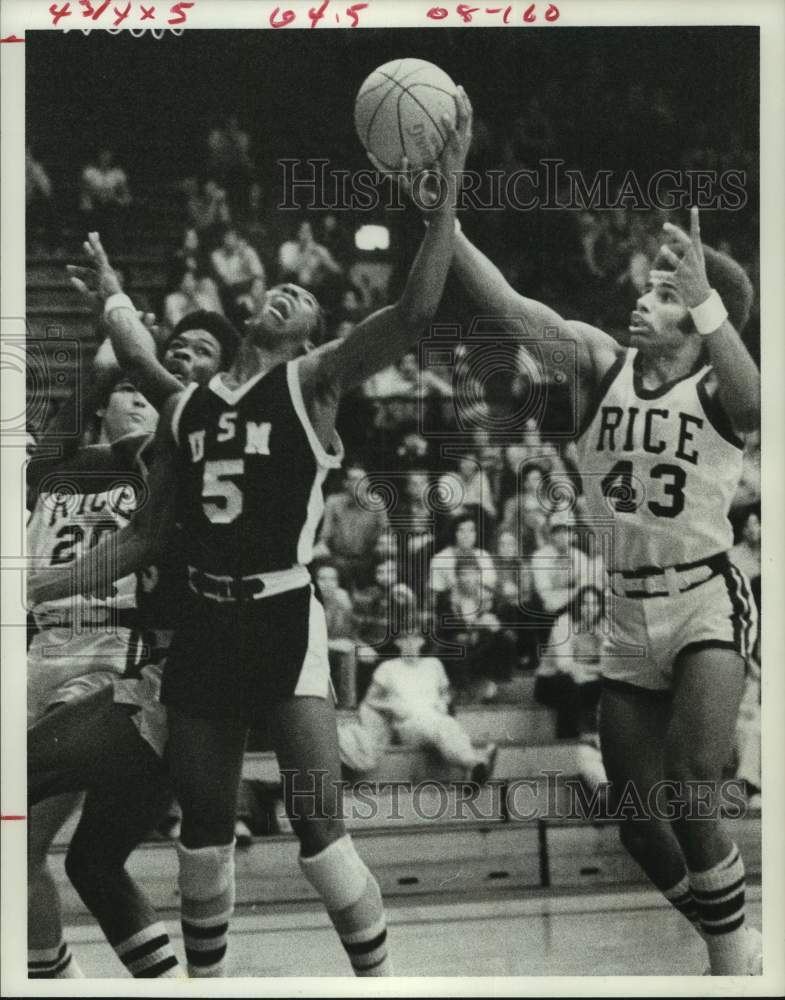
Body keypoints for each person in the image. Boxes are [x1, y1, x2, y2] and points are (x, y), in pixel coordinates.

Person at [40, 88, 473, 979]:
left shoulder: (313, 381)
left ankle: (379, 979)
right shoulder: (191, 402)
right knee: (202, 834)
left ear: (314, 330)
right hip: (202, 626)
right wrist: (116, 297)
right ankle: (207, 983)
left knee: (320, 830)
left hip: (282, 618)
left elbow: (415, 316)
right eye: (275, 288)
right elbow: (143, 386)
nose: (284, 292)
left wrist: (446, 203)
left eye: (301, 296)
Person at [451, 204, 762, 974]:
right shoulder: (598, 362)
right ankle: (735, 940)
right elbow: (512, 311)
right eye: (649, 288)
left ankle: (732, 966)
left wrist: (707, 299)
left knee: (692, 778)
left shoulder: (718, 386)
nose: (640, 300)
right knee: (634, 816)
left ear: (695, 312)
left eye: (662, 293)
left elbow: (754, 405)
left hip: (703, 597)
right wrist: (444, 225)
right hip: (624, 607)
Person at [27, 297, 240, 980]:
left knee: (19, 845)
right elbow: (79, 405)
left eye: (149, 393)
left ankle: (54, 981)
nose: (139, 398)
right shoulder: (63, 465)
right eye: (126, 389)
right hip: (41, 654)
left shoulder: (171, 465)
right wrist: (108, 341)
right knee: (90, 863)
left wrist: (135, 349)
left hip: (117, 662)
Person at [338, 625, 495, 778]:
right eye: (406, 638)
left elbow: (445, 693)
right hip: (408, 725)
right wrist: (391, 706)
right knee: (443, 727)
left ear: (422, 641)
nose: (411, 642)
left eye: (416, 638)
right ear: (398, 642)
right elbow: (370, 700)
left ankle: (472, 765)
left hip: (434, 717)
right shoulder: (388, 668)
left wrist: (443, 701)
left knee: (447, 724)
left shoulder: (433, 665)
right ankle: (476, 761)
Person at [312, 461, 389, 590]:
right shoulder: (333, 502)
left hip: (367, 558)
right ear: (345, 484)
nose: (358, 484)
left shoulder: (377, 503)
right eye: (353, 480)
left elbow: (385, 533)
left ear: (368, 483)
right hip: (339, 559)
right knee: (320, 561)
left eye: (361, 480)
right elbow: (325, 534)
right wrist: (321, 545)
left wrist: (384, 543)